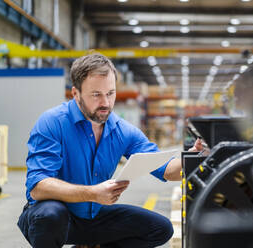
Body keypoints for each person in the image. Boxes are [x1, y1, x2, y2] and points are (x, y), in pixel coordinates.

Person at [17, 53, 203, 248]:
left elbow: (166, 170)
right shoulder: (53, 122)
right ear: (76, 94)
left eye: (110, 93)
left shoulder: (123, 131)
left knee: (160, 228)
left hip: (93, 216)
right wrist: (93, 193)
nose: (105, 103)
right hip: (55, 216)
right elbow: (38, 187)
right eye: (96, 94)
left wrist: (192, 157)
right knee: (50, 216)